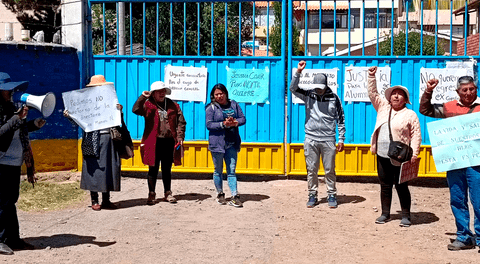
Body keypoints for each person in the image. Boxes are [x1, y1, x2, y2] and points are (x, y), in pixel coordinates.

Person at [419, 76, 480, 250]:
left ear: (476, 89)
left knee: (478, 201)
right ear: (458, 92)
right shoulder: (449, 107)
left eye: (471, 89)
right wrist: (428, 90)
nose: (468, 92)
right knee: (457, 200)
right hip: (455, 162)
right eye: (464, 90)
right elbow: (425, 110)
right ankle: (464, 237)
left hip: (477, 164)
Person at [366, 66, 421, 227]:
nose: (396, 96)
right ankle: (385, 214)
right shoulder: (383, 107)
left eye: (400, 94)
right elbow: (373, 93)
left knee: (401, 185)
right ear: (389, 97)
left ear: (405, 98)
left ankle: (406, 216)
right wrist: (371, 76)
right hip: (382, 153)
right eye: (394, 94)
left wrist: (414, 154)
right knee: (385, 185)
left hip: (400, 156)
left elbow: (416, 135)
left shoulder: (410, 114)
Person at [0, 72, 46, 255]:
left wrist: (33, 124)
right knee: (2, 203)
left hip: (13, 161)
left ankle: (13, 238)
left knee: (11, 201)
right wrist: (16, 118)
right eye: (7, 89)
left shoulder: (12, 108)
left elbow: (18, 129)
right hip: (1, 162)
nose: (11, 91)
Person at [289, 61, 345, 208]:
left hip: (328, 139)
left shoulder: (334, 98)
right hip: (311, 138)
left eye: (322, 88)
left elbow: (340, 119)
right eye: (317, 88)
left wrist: (341, 139)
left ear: (326, 85)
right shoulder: (308, 94)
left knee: (329, 170)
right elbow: (292, 88)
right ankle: (312, 194)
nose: (319, 90)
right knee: (311, 169)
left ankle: (331, 194)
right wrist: (298, 72)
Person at [64, 75, 123, 211]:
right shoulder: (85, 102)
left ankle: (106, 200)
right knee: (93, 169)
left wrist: (119, 110)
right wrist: (70, 116)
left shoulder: (110, 100)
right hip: (92, 140)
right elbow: (79, 120)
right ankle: (94, 199)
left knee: (108, 168)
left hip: (109, 139)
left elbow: (118, 120)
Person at [132, 81, 186, 205]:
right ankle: (151, 194)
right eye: (159, 91)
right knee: (153, 168)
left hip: (169, 141)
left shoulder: (173, 105)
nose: (162, 93)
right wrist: (142, 97)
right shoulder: (147, 104)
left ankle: (168, 193)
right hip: (153, 142)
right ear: (153, 93)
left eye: (163, 91)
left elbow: (181, 122)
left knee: (167, 168)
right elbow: (135, 110)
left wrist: (180, 136)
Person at [205, 84, 246, 207]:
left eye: (221, 93)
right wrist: (223, 124)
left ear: (226, 93)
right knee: (218, 171)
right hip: (217, 144)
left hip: (232, 143)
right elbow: (209, 125)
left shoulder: (234, 104)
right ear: (213, 96)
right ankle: (220, 194)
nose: (219, 96)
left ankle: (235, 196)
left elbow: (243, 118)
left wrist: (235, 122)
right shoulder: (210, 107)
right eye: (216, 94)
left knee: (231, 171)